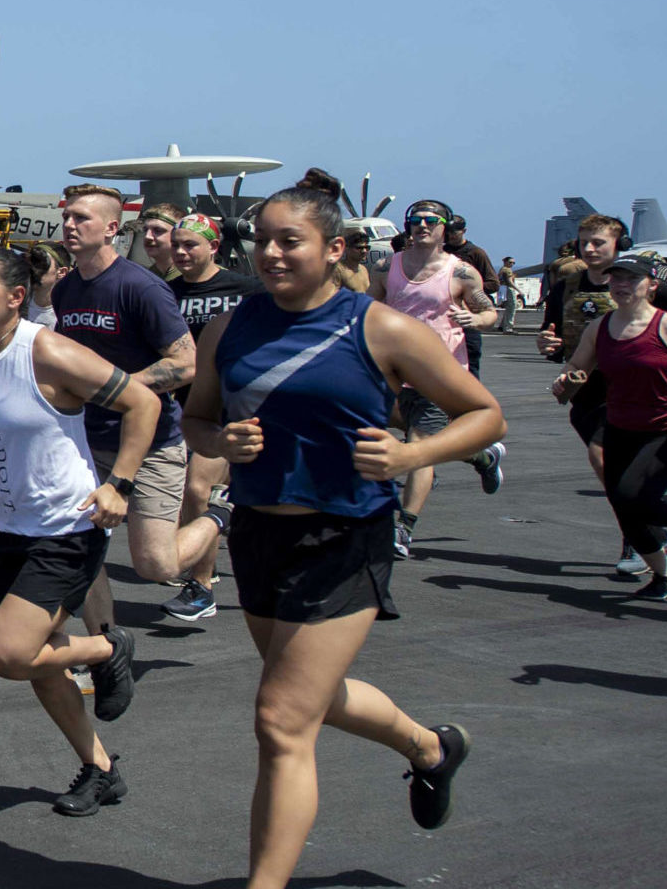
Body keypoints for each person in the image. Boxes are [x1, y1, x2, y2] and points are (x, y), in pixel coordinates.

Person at [183, 185, 504, 889]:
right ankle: (428, 748)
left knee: (280, 720)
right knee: (310, 698)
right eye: (262, 239)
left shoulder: (379, 327)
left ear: (333, 249)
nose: (270, 252)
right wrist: (221, 438)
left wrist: (411, 456)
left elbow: (485, 416)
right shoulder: (228, 328)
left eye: (288, 240)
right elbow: (196, 421)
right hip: (260, 533)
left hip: (345, 535)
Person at [0, 248, 160, 815]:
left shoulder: (45, 350)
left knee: (7, 653)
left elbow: (142, 402)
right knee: (39, 662)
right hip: (5, 529)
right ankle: (99, 769)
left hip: (67, 527)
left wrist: (119, 483)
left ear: (16, 297)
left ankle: (106, 647)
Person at [49, 184, 214, 639]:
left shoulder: (141, 288)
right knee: (76, 549)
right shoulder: (66, 291)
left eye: (82, 218)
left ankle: (219, 514)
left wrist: (118, 389)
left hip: (152, 442)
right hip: (87, 442)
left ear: (112, 229)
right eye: (67, 217)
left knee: (156, 565)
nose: (69, 225)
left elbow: (185, 363)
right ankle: (106, 644)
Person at [555, 252, 667, 598]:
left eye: (631, 279)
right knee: (623, 505)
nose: (621, 285)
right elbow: (576, 369)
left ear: (652, 285)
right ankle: (665, 577)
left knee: (635, 496)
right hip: (620, 428)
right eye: (616, 278)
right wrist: (564, 382)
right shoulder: (599, 328)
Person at [368, 200, 506, 559]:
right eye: (416, 220)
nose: (423, 226)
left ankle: (404, 527)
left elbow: (488, 310)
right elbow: (367, 308)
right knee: (392, 428)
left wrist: (478, 321)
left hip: (436, 373)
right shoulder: (387, 267)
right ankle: (481, 457)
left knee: (418, 447)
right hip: (393, 373)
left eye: (431, 221)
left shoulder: (461, 272)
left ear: (445, 227)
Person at [162, 213, 260, 620]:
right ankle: (209, 569)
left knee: (198, 489)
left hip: (232, 408)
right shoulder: (165, 293)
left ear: (214, 246)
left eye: (192, 245)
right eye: (178, 245)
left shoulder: (246, 290)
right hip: (184, 409)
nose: (182, 252)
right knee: (195, 493)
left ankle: (201, 586)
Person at [442, 216, 497, 373]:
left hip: (468, 317)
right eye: (448, 232)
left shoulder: (476, 253)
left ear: (464, 231)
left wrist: (466, 290)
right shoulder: (441, 252)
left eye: (455, 231)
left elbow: (493, 283)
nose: (451, 235)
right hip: (445, 319)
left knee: (469, 367)